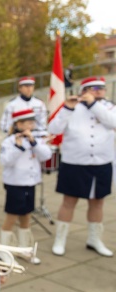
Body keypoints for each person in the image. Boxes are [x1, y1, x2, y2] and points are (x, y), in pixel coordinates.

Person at [49, 76, 116, 257]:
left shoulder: (109, 108)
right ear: (84, 91)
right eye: (95, 88)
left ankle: (94, 239)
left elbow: (113, 122)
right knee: (69, 201)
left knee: (97, 202)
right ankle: (60, 239)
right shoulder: (71, 109)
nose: (100, 91)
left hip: (101, 162)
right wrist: (67, 109)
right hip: (75, 163)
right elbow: (54, 129)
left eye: (102, 88)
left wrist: (95, 105)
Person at [0, 109, 52, 264]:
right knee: (12, 216)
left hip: (30, 182)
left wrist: (34, 142)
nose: (31, 125)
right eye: (28, 122)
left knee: (26, 215)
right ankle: (4, 252)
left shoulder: (36, 139)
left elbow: (46, 155)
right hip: (15, 183)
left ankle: (24, 249)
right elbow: (5, 161)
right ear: (18, 124)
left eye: (32, 122)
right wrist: (18, 147)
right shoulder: (9, 141)